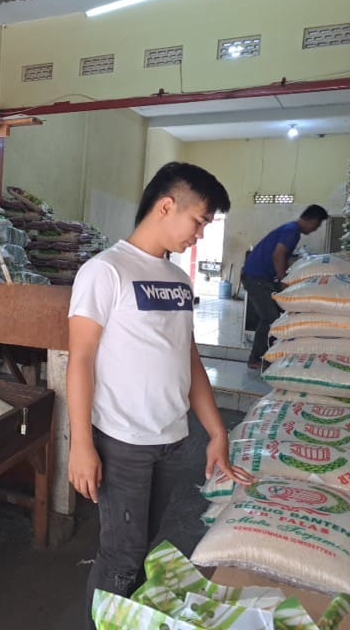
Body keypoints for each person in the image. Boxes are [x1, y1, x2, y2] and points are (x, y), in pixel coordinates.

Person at [67, 162, 252, 628]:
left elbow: (189, 360)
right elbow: (81, 359)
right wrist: (81, 444)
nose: (200, 234)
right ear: (167, 206)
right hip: (123, 442)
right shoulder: (105, 271)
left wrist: (216, 433)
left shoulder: (179, 280)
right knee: (121, 557)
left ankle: (124, 619)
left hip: (171, 440)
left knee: (140, 547)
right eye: (199, 221)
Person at [241, 204, 329, 369]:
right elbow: (278, 255)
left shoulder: (290, 229)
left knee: (274, 317)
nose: (315, 230)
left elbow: (281, 257)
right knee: (272, 319)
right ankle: (260, 359)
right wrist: (283, 282)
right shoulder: (292, 231)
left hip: (259, 277)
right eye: (317, 226)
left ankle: (266, 357)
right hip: (256, 278)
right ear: (312, 221)